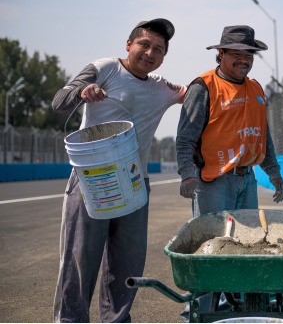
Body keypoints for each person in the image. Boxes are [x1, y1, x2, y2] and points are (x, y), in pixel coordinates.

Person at [51, 18, 186, 322]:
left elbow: (193, 92)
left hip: (135, 186)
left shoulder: (162, 88)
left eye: (158, 49)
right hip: (90, 182)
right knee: (79, 261)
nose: (150, 52)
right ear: (129, 45)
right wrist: (82, 92)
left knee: (127, 266)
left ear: (164, 56)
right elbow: (60, 101)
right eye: (144, 44)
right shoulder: (105, 68)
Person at [176, 25, 283, 218]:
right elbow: (185, 138)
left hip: (248, 180)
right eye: (236, 54)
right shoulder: (203, 87)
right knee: (214, 241)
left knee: (246, 243)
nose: (244, 60)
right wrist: (187, 173)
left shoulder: (256, 89)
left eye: (249, 55)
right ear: (221, 54)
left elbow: (262, 136)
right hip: (214, 181)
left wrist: (274, 173)